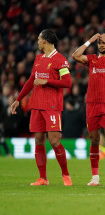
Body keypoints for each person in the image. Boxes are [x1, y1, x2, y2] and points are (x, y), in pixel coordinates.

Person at [10, 29, 73, 186]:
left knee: (54, 141)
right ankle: (43, 178)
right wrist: (18, 99)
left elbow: (67, 82)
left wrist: (47, 81)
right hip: (37, 105)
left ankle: (66, 175)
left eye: (39, 39)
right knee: (38, 140)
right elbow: (32, 80)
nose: (37, 42)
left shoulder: (60, 59)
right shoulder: (38, 59)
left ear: (45, 41)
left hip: (52, 106)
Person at [72, 33, 105, 186]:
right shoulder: (92, 59)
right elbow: (76, 55)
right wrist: (90, 41)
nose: (101, 45)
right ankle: (95, 177)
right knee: (94, 140)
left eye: (104, 43)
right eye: (100, 43)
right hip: (92, 103)